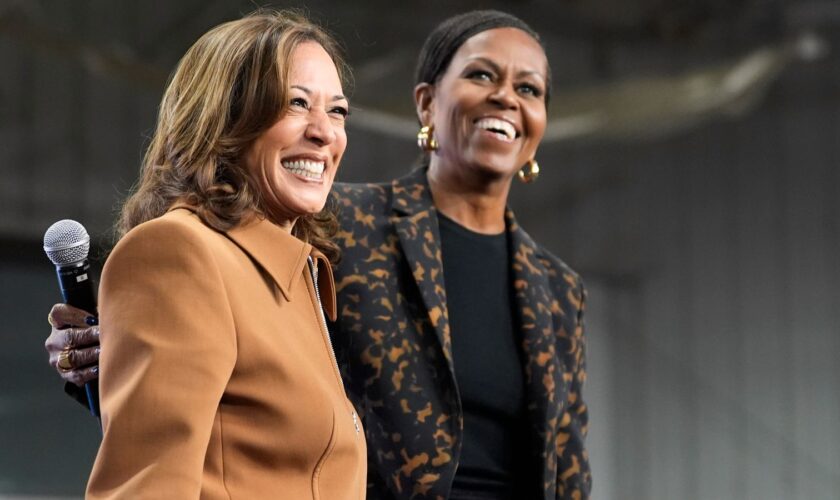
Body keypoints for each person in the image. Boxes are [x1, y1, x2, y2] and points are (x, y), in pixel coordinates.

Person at [46, 10, 590, 499]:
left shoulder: (557, 288)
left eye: (530, 87)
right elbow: (183, 335)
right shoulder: (333, 228)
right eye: (481, 75)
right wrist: (108, 345)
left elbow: (565, 465)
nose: (507, 97)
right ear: (426, 101)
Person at [49, 10, 367, 498]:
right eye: (295, 104)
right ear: (224, 119)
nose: (325, 132)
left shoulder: (295, 274)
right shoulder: (177, 252)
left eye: (337, 111)